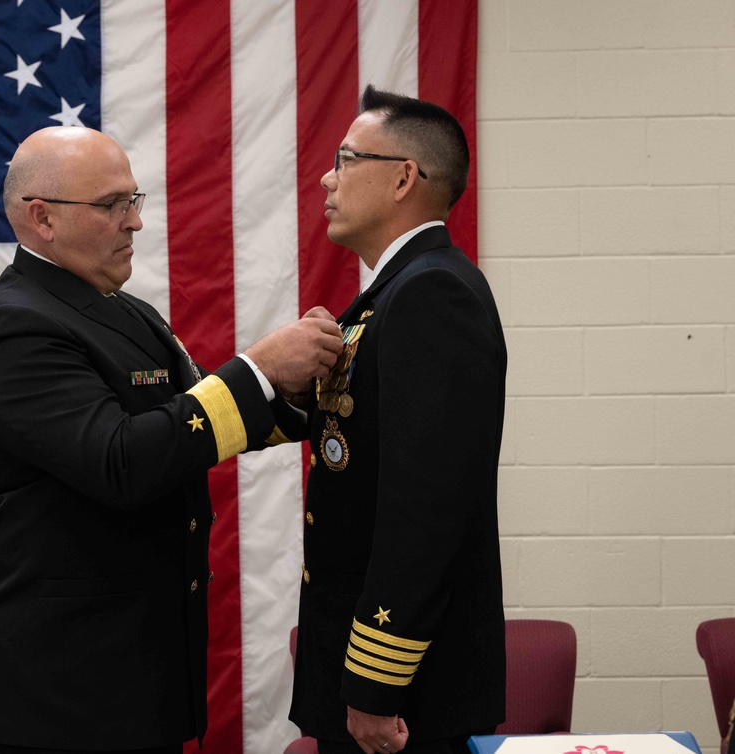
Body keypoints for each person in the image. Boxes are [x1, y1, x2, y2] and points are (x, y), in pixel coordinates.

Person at [0, 125, 343, 754]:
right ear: (41, 218)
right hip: (53, 699)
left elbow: (186, 429)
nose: (135, 222)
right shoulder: (16, 328)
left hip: (132, 678)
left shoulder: (119, 310)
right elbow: (122, 461)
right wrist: (259, 370)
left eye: (134, 200)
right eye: (111, 205)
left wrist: (299, 395)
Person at [285, 86, 508, 754]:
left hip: (402, 692)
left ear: (404, 177)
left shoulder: (432, 294)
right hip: (365, 670)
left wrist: (377, 684)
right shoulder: (395, 293)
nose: (327, 176)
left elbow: (425, 511)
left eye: (346, 159)